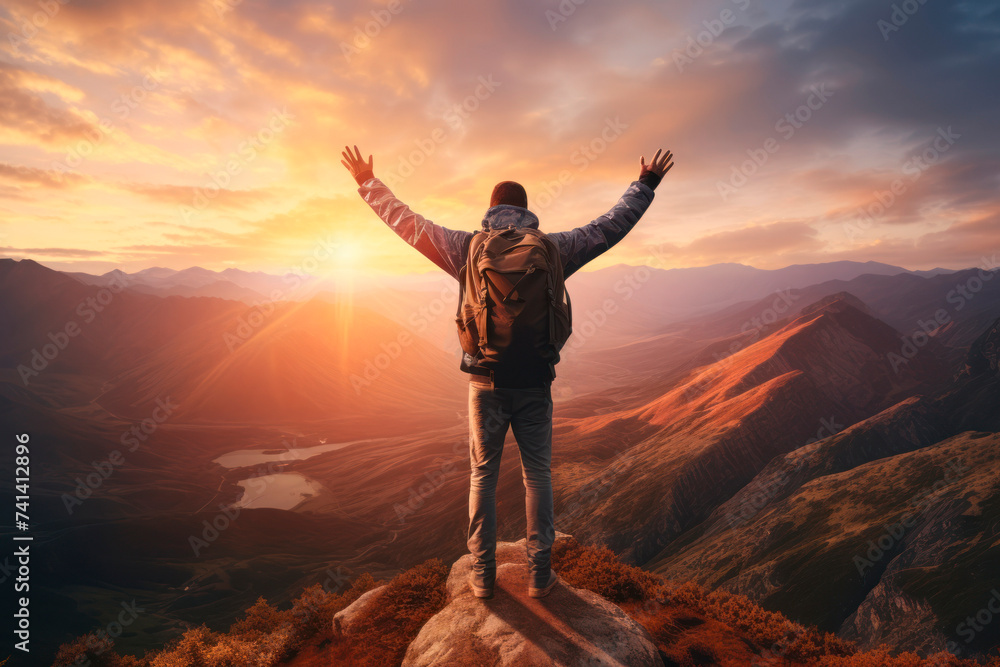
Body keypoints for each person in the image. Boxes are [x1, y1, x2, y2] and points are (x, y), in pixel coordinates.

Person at [341, 144, 673, 599]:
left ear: (492, 209)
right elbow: (610, 225)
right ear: (527, 211)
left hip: (485, 380)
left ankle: (482, 576)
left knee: (483, 476)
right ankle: (539, 576)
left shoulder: (466, 246)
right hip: (535, 380)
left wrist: (367, 183)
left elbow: (408, 223)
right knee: (537, 476)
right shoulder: (554, 248)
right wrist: (645, 183)